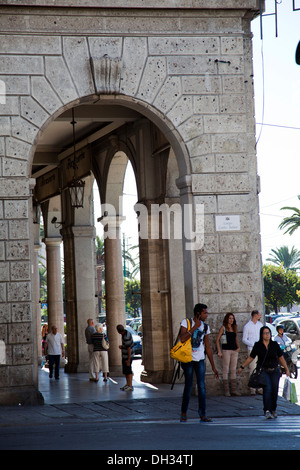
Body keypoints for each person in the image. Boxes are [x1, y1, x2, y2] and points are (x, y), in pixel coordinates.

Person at [238, 325, 290, 419]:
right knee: (267, 389)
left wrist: (286, 368)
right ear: (261, 335)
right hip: (264, 371)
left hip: (274, 370)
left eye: (268, 333)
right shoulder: (258, 345)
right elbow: (251, 357)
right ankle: (266, 410)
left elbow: (281, 357)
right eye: (265, 333)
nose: (267, 335)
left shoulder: (274, 344)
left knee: (274, 390)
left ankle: (273, 409)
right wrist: (242, 366)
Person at [179, 303, 219, 423]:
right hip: (188, 359)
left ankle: (203, 414)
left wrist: (213, 366)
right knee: (189, 385)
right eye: (205, 313)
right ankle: (184, 413)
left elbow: (208, 347)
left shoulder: (205, 327)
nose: (206, 315)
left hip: (200, 359)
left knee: (202, 387)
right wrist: (194, 328)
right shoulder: (186, 322)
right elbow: (182, 338)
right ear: (198, 313)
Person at [216, 313, 240, 397]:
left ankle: (233, 390)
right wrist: (219, 351)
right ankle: (226, 390)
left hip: (234, 350)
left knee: (233, 369)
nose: (231, 320)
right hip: (226, 350)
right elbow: (217, 340)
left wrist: (238, 347)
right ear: (227, 319)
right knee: (226, 370)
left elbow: (235, 338)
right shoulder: (223, 328)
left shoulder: (234, 328)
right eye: (230, 318)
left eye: (232, 318)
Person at [242, 309, 263, 395]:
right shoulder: (247, 326)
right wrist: (253, 344)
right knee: (253, 369)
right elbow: (244, 339)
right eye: (259, 314)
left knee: (261, 369)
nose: (260, 316)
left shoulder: (260, 325)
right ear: (255, 315)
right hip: (252, 349)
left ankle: (260, 388)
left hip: (260, 350)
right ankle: (252, 389)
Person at [116, 324, 134, 391]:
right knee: (126, 371)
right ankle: (128, 384)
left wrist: (128, 360)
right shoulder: (125, 333)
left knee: (128, 371)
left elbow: (129, 348)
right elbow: (126, 346)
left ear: (118, 331)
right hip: (125, 356)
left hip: (127, 356)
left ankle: (130, 385)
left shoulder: (126, 336)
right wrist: (122, 347)